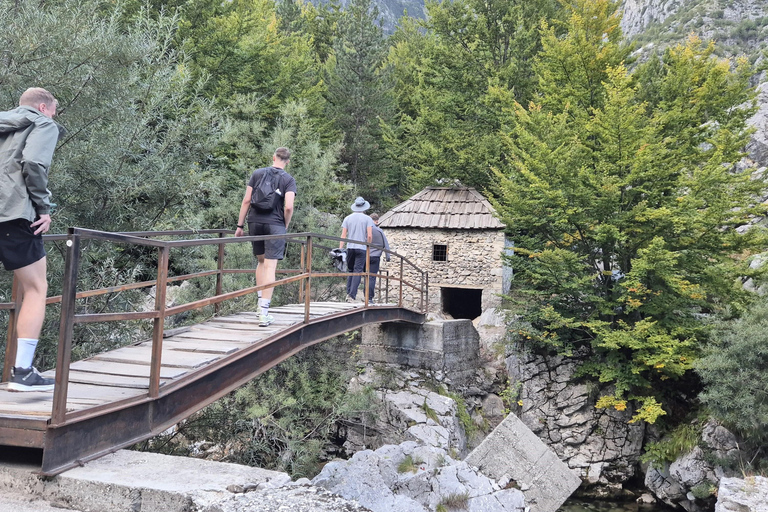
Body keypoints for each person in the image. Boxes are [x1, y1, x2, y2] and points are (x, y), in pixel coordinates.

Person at [0, 87, 62, 392]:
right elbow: (34, 163)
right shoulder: (43, 122)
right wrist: (43, 208)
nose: (54, 117)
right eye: (53, 111)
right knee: (37, 288)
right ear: (42, 106)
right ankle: (23, 371)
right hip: (13, 215)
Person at [235, 147, 296, 327]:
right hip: (275, 224)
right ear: (288, 161)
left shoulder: (257, 173)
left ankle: (259, 302)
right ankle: (264, 312)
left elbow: (246, 200)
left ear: (273, 157)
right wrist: (284, 225)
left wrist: (239, 226)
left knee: (261, 262)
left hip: (255, 222)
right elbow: (289, 207)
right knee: (270, 267)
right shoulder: (288, 180)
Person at [339, 197, 374, 302]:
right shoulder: (368, 219)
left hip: (350, 247)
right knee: (358, 271)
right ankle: (352, 295)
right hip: (361, 247)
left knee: (351, 270)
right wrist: (368, 245)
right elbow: (369, 235)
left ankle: (348, 292)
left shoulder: (347, 218)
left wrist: (340, 248)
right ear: (364, 207)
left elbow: (343, 235)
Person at [368, 213, 391, 303]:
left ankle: (365, 295)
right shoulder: (379, 231)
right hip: (375, 256)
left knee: (366, 276)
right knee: (372, 277)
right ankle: (369, 298)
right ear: (377, 221)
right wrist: (388, 256)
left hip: (365, 256)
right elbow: (386, 244)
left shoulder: (366, 230)